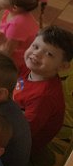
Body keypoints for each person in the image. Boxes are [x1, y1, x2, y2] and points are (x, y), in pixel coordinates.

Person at [14, 25, 73, 154]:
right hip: (16, 112)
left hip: (22, 142)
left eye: (49, 54)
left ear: (63, 66)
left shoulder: (43, 97)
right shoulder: (32, 68)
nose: (36, 53)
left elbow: (24, 131)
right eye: (35, 46)